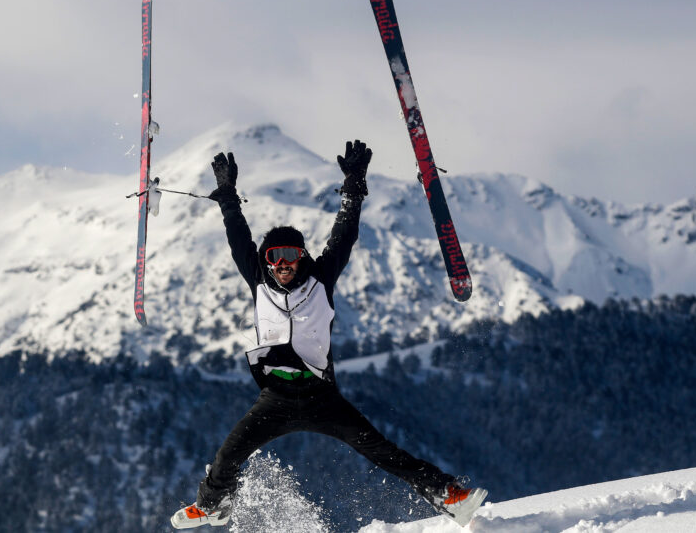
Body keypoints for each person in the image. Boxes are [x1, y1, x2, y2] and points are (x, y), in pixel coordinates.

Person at [171, 140, 487, 529]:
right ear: (265, 262)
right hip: (275, 399)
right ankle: (214, 505)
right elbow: (238, 237)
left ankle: (448, 495)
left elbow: (344, 236)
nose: (284, 264)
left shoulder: (321, 279)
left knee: (382, 450)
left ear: (302, 256)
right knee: (228, 455)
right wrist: (228, 197)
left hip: (322, 397)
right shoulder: (258, 282)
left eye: (291, 255)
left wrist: (354, 185)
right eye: (275, 256)